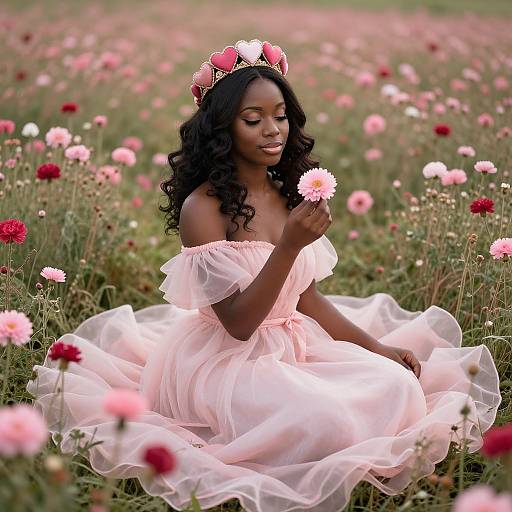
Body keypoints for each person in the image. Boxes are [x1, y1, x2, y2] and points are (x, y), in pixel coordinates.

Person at [28, 39, 502, 512]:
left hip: (292, 343)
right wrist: (290, 245)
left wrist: (378, 349)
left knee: (396, 384)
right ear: (222, 130)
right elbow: (238, 323)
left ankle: (338, 406)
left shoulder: (287, 193)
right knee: (325, 419)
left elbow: (308, 301)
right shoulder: (204, 207)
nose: (273, 130)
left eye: (280, 116)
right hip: (228, 362)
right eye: (253, 120)